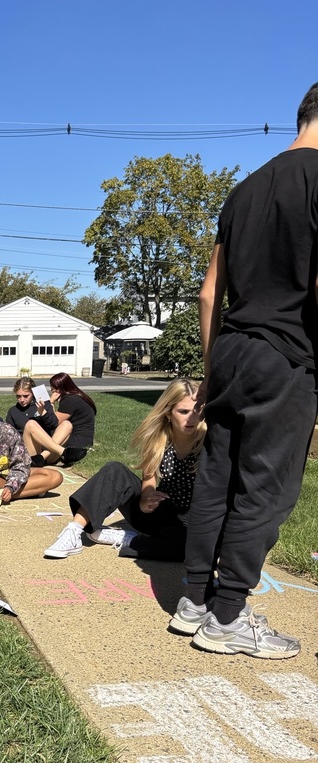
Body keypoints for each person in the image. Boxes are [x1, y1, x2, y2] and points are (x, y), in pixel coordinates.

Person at [171, 82, 318, 660]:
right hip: (286, 353)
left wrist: (211, 371)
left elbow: (210, 294)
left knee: (218, 476)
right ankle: (228, 614)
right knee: (267, 488)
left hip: (231, 347)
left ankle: (193, 602)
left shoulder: (244, 188)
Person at [43, 379, 205, 559]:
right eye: (183, 411)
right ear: (168, 413)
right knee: (115, 471)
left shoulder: (208, 440)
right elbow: (149, 477)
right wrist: (145, 498)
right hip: (157, 511)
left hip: (192, 519)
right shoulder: (159, 439)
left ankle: (128, 539)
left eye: (197, 410)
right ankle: (73, 531)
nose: (192, 418)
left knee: (191, 548)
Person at [23, 371, 96, 468]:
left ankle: (43, 456)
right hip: (81, 441)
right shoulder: (78, 396)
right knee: (62, 424)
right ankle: (51, 455)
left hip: (74, 444)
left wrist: (50, 402)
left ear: (61, 388)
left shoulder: (70, 400)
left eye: (53, 388)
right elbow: (54, 418)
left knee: (33, 425)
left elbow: (53, 423)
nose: (52, 390)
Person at [5, 376, 59, 449]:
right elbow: (9, 434)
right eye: (18, 396)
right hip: (26, 449)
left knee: (67, 424)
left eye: (25, 396)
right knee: (31, 424)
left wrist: (43, 412)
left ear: (33, 393)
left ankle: (48, 455)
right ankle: (61, 451)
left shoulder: (43, 404)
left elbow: (54, 425)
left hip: (45, 445)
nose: (22, 399)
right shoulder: (13, 411)